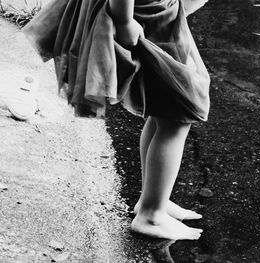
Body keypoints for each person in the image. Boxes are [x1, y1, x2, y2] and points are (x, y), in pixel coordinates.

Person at [23, 0, 210, 240]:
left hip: (162, 12)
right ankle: (151, 215)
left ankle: (153, 200)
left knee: (164, 108)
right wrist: (124, 20)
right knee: (178, 113)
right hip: (149, 11)